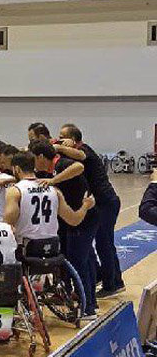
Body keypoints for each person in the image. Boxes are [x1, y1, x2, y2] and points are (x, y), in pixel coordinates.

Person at [29, 140, 99, 318]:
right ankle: (75, 297)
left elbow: (79, 167)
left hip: (85, 216)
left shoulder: (61, 163)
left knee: (78, 261)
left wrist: (53, 181)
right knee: (70, 259)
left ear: (41, 157)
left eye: (34, 158)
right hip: (70, 217)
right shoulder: (44, 170)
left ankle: (89, 307)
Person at [59, 124, 125, 298]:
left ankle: (113, 284)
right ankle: (100, 277)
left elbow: (79, 155)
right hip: (99, 204)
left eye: (63, 137)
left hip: (106, 203)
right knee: (96, 244)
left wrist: (58, 147)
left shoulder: (84, 150)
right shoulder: (74, 154)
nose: (60, 140)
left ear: (73, 139)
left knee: (104, 243)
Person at [4, 152, 95, 246]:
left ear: (17, 169)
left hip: (26, 247)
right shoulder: (54, 190)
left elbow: (7, 226)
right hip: (52, 247)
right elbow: (74, 220)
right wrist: (85, 206)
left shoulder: (15, 191)